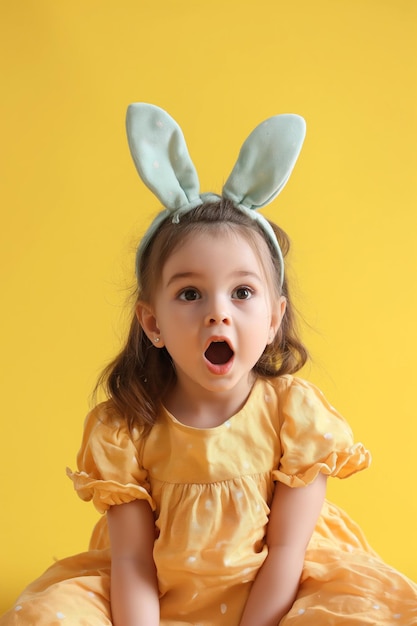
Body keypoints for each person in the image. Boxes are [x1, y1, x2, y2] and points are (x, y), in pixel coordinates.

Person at [1, 104, 416, 626]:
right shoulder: (125, 427)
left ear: (272, 319)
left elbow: (288, 553)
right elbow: (131, 562)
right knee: (47, 615)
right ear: (152, 324)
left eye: (242, 292)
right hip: (153, 593)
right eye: (190, 293)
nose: (218, 311)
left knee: (366, 614)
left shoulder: (295, 415)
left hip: (280, 593)